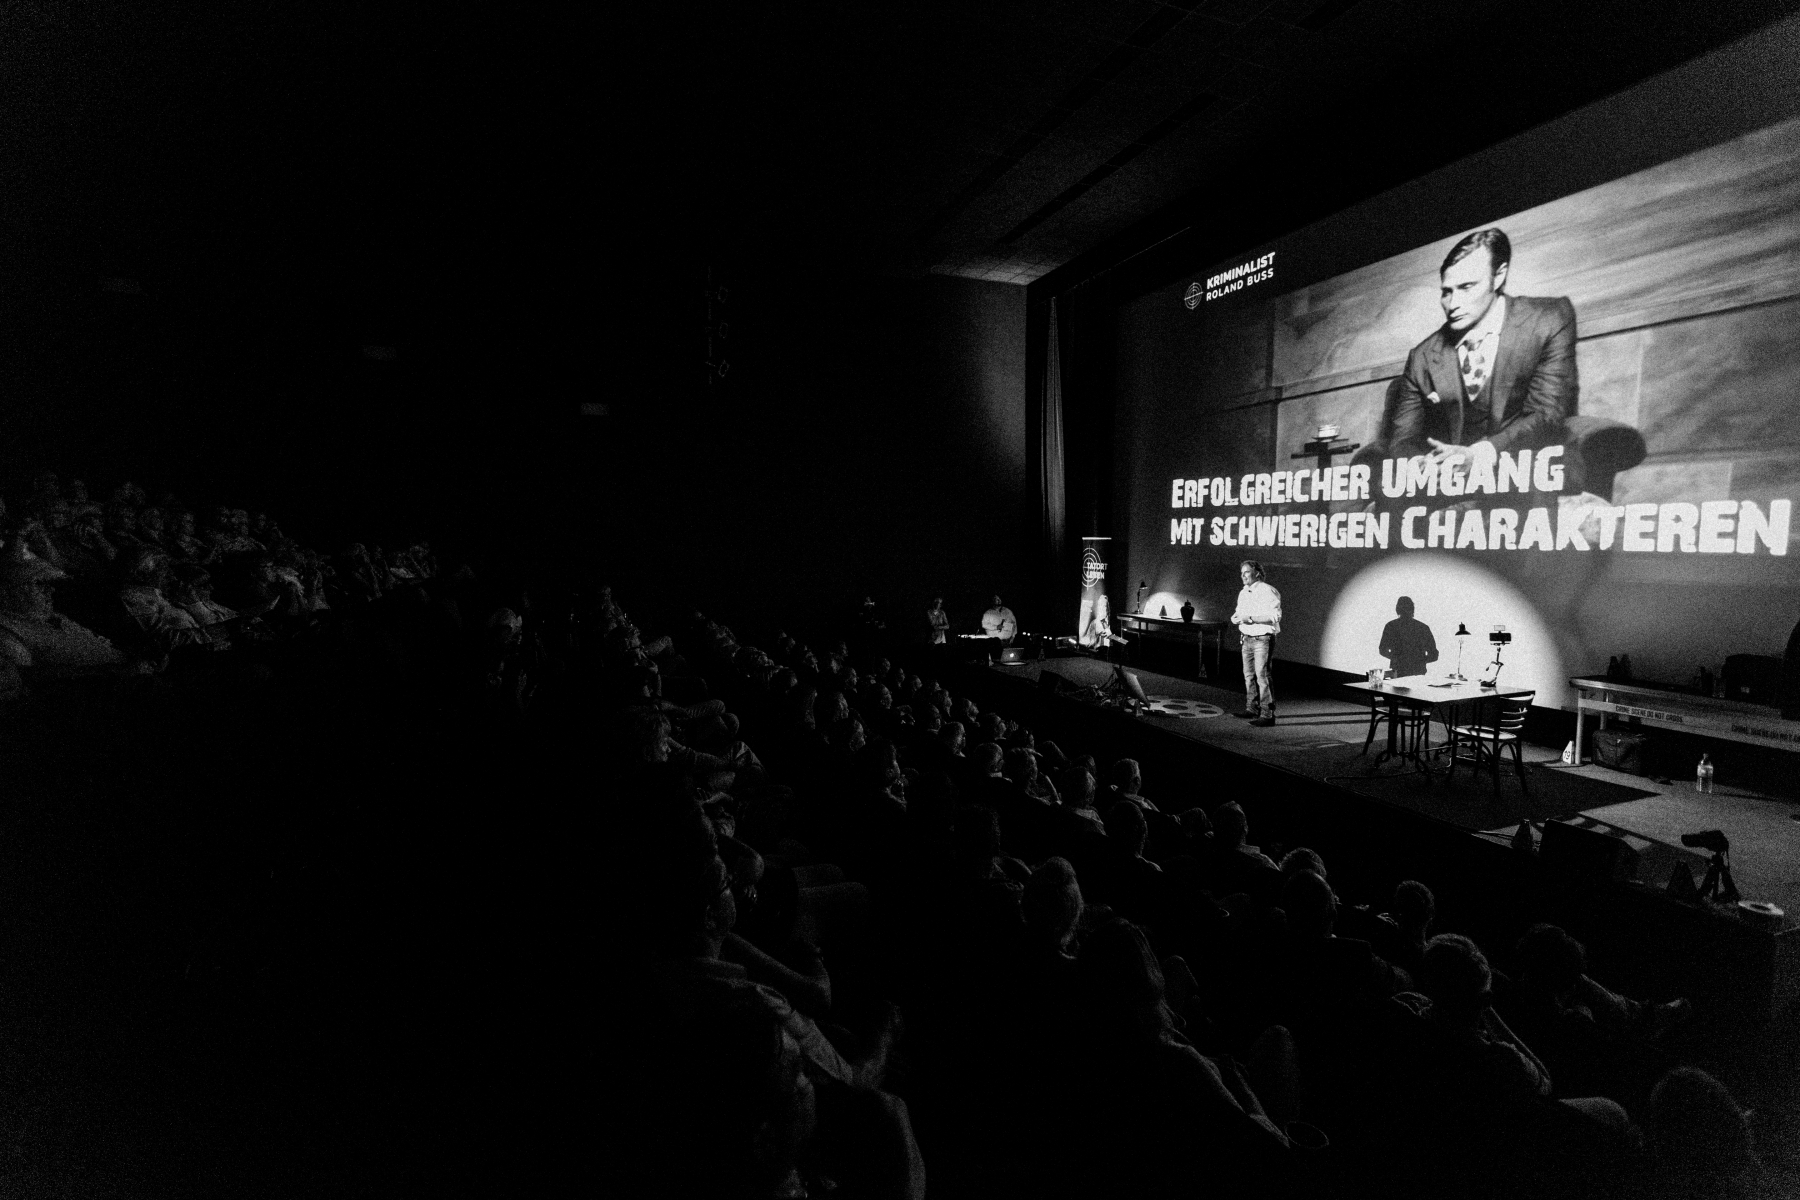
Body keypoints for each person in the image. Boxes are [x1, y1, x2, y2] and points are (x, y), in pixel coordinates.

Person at [1390, 227, 1584, 491]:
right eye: (1446, 292)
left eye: (1466, 287)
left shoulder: (1548, 319)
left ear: (1498, 276)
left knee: (1527, 482)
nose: (1453, 304)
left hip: (1527, 467)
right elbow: (1403, 439)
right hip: (1452, 480)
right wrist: (1421, 465)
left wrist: (1481, 454)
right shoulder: (1422, 356)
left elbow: (1546, 414)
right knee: (1388, 485)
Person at [1230, 559, 1280, 726]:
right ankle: (1252, 708)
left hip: (1262, 638)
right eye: (1241, 573)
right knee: (1249, 675)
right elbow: (1239, 613)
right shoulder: (1243, 592)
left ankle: (1267, 714)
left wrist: (1250, 619)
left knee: (1262, 676)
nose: (1243, 576)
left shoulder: (1268, 591)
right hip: (1247, 638)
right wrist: (1236, 618)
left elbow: (1275, 617)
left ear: (1257, 573)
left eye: (1246, 572)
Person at [1378, 595, 1439, 679]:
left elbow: (1382, 650)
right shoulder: (1423, 628)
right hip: (1418, 672)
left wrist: (1397, 658)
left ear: (1397, 609)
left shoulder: (1391, 626)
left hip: (1398, 671)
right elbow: (1434, 655)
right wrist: (1419, 661)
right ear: (1412, 609)